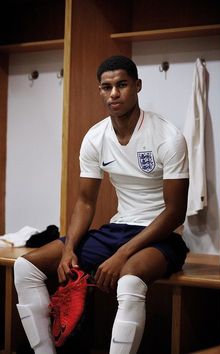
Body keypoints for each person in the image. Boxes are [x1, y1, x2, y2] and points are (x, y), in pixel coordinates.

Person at [14, 55, 189, 354]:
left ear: (137, 86)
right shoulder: (95, 137)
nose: (114, 94)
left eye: (122, 85)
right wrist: (69, 250)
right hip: (118, 228)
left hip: (160, 235)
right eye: (106, 87)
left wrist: (122, 255)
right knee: (24, 267)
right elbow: (85, 201)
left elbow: (175, 212)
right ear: (100, 90)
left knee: (130, 280)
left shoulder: (168, 137)